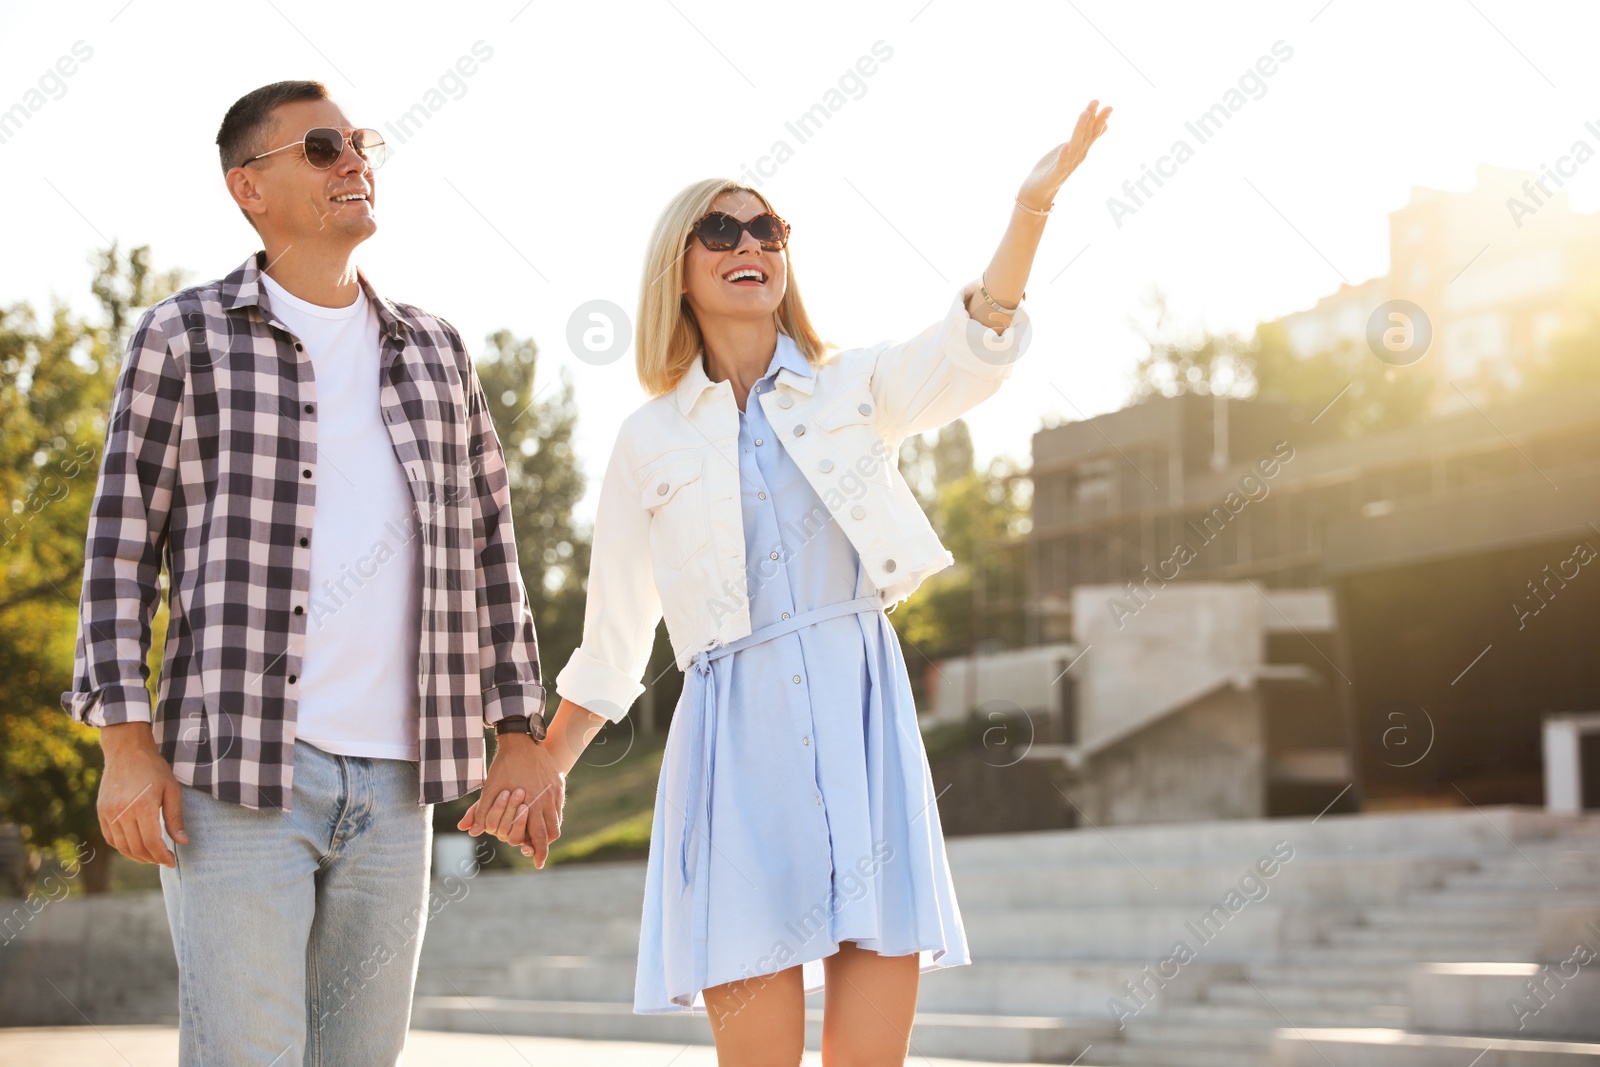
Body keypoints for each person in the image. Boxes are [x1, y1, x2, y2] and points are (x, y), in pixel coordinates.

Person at [463, 100, 1112, 1063]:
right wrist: (540, 769)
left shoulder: (852, 385)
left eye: (767, 227)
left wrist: (1030, 211)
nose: (750, 242)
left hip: (861, 712)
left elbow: (971, 350)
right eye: (719, 229)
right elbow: (613, 641)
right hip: (736, 742)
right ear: (676, 268)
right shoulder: (648, 441)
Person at [62, 79, 560, 1065]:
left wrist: (521, 729)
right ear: (249, 187)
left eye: (360, 143)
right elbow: (119, 553)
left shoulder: (436, 352)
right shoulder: (182, 338)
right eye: (324, 147)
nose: (355, 163)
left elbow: (490, 552)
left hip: (399, 785)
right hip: (235, 778)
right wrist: (125, 746)